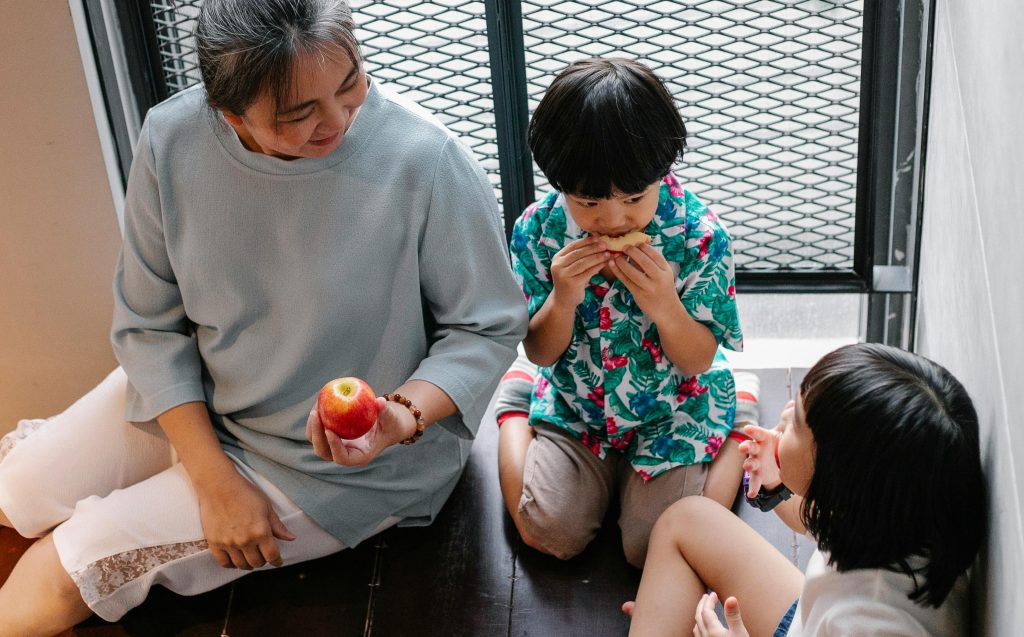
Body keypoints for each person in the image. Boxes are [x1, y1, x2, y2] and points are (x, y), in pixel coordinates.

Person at [0, 0, 527, 633]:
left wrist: (401, 416)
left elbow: (487, 325)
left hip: (333, 466)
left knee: (70, 564)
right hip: (201, 398)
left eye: (350, 82)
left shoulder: (426, 159)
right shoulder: (172, 139)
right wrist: (211, 478)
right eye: (300, 113)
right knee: (20, 492)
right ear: (225, 112)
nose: (338, 121)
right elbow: (148, 323)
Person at [497, 57, 745, 569]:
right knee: (548, 532)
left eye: (635, 197)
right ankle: (515, 407)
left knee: (653, 549)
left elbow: (697, 360)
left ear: (662, 172)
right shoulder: (536, 233)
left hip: (673, 407)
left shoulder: (699, 238)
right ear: (559, 181)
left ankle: (738, 422)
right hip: (576, 403)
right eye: (587, 202)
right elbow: (541, 349)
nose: (612, 219)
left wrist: (664, 305)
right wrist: (563, 297)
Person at [626, 343, 986, 637]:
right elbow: (814, 519)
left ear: (839, 481)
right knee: (687, 519)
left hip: (820, 622)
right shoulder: (900, 515)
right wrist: (775, 479)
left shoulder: (872, 625)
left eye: (796, 422)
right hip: (810, 621)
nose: (783, 415)